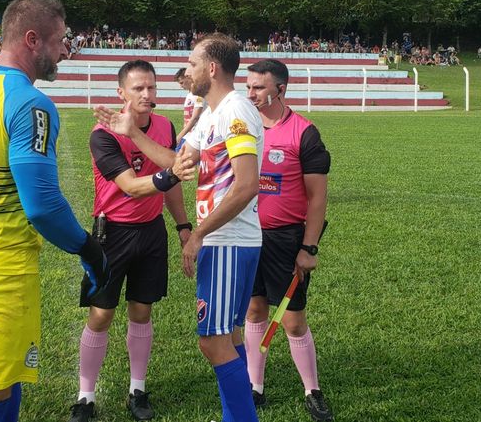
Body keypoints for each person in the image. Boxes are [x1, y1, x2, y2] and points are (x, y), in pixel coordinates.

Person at [0, 0, 110, 422]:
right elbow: (43, 206)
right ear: (33, 40)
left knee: (7, 378)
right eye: (60, 40)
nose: (65, 50)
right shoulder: (29, 103)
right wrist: (89, 249)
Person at [96, 33, 263, 422]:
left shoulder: (235, 111)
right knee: (228, 335)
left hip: (228, 240)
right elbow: (176, 163)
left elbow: (246, 185)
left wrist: (199, 234)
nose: (186, 71)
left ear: (212, 68)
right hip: (225, 240)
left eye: (191, 63)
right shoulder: (211, 113)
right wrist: (132, 132)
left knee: (212, 342)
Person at [68, 60, 194, 422]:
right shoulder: (103, 135)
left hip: (151, 232)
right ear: (121, 92)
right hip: (112, 233)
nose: (146, 94)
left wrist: (183, 226)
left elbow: (172, 179)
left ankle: (137, 390)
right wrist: (171, 173)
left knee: (142, 311)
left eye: (151, 87)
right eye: (138, 88)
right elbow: (132, 186)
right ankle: (86, 396)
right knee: (101, 314)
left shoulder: (165, 125)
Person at [243, 59, 333, 421]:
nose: (250, 93)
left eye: (258, 87)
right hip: (247, 235)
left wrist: (308, 248)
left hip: (285, 240)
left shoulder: (304, 133)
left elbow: (318, 197)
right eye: (248, 86)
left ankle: (312, 390)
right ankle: (254, 386)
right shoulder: (242, 127)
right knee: (254, 310)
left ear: (280, 89)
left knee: (293, 320)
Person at [175, 67, 204, 145]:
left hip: (196, 137)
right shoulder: (189, 95)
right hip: (188, 135)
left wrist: (179, 136)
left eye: (181, 83)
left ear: (188, 78)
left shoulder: (199, 95)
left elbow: (195, 118)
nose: (180, 86)